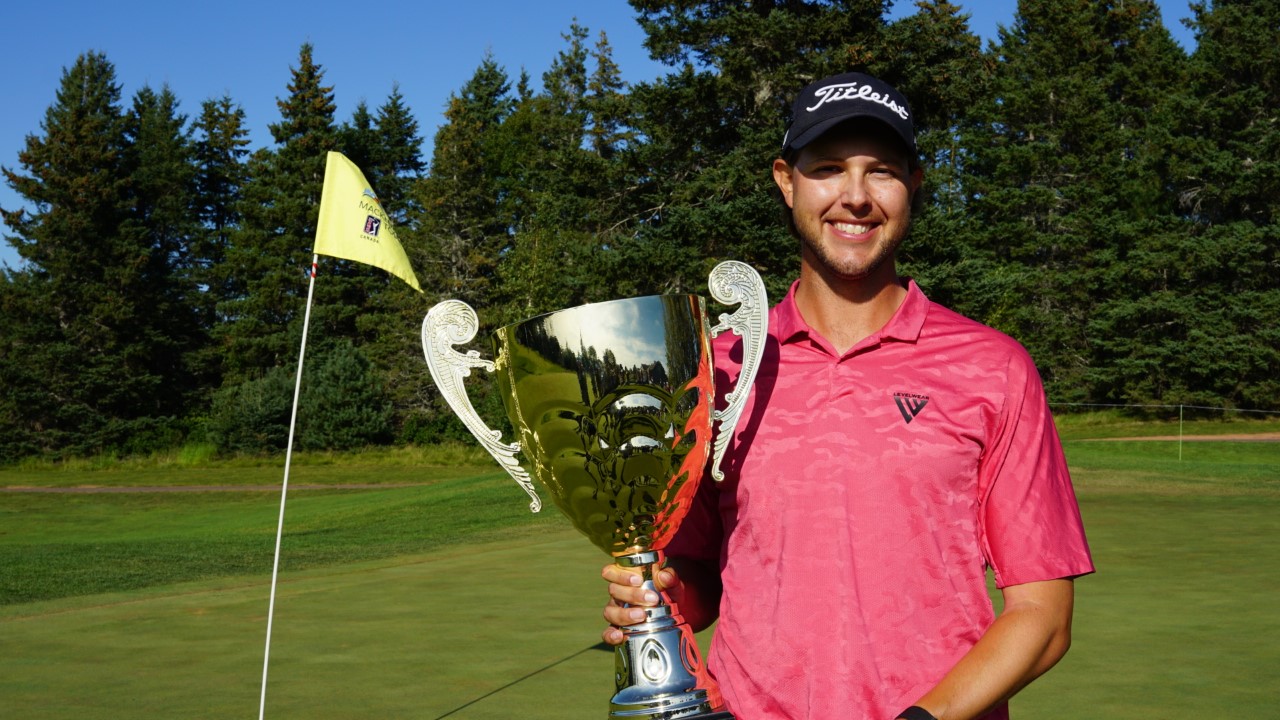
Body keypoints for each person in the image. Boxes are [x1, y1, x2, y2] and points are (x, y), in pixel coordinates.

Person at [601, 72, 1095, 720]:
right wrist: (649, 595)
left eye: (881, 171)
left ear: (913, 185)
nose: (855, 198)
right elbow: (696, 574)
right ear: (787, 180)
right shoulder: (719, 372)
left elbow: (1043, 616)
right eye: (829, 168)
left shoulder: (994, 368)